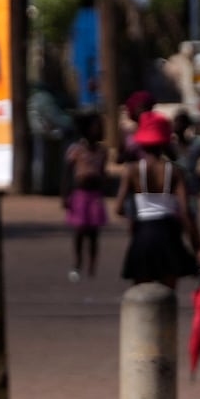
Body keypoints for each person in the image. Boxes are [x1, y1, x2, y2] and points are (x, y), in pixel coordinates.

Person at [113, 111, 200, 288]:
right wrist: (199, 249)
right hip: (168, 234)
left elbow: (118, 208)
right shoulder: (174, 172)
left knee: (141, 297)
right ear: (164, 141)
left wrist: (137, 216)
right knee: (167, 295)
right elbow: (186, 213)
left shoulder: (132, 171)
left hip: (143, 234)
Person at [61, 112, 109, 283]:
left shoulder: (102, 152)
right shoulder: (76, 150)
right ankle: (77, 262)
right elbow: (67, 173)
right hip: (80, 193)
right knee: (80, 231)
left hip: (95, 193)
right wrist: (65, 195)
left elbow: (103, 173)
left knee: (94, 232)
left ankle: (92, 264)